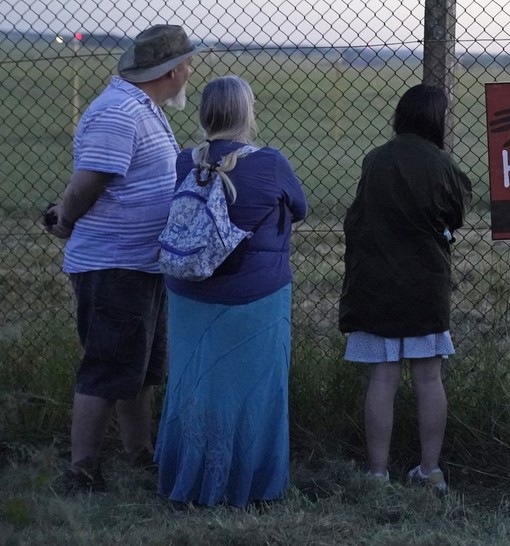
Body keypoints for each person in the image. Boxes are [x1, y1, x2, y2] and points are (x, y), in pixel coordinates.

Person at [42, 24, 202, 491]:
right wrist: (65, 219)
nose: (190, 71)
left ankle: (139, 455)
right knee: (108, 365)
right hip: (115, 265)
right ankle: (81, 470)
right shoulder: (119, 113)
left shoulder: (141, 108)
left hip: (140, 264)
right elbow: (89, 181)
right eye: (186, 64)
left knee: (141, 368)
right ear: (170, 72)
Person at [154, 75, 307, 507]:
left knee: (193, 387)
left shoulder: (186, 161)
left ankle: (191, 475)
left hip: (188, 297)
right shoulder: (270, 162)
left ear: (205, 114)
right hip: (254, 299)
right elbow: (300, 208)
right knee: (256, 390)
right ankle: (251, 482)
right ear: (247, 113)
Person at [338, 84, 472, 491]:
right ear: (436, 119)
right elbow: (456, 215)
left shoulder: (375, 160)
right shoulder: (444, 165)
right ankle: (430, 470)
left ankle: (377, 474)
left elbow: (357, 217)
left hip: (377, 282)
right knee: (429, 378)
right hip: (426, 283)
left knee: (383, 379)